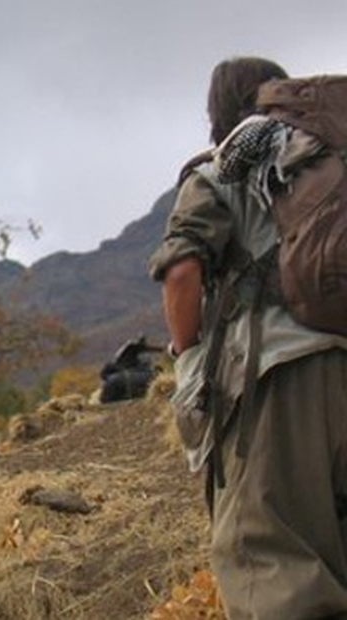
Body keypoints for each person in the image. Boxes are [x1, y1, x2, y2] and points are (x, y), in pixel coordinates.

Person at [149, 57, 347, 618]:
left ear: (217, 113)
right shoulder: (331, 164)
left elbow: (182, 270)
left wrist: (187, 357)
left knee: (270, 560)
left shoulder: (224, 169)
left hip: (274, 381)